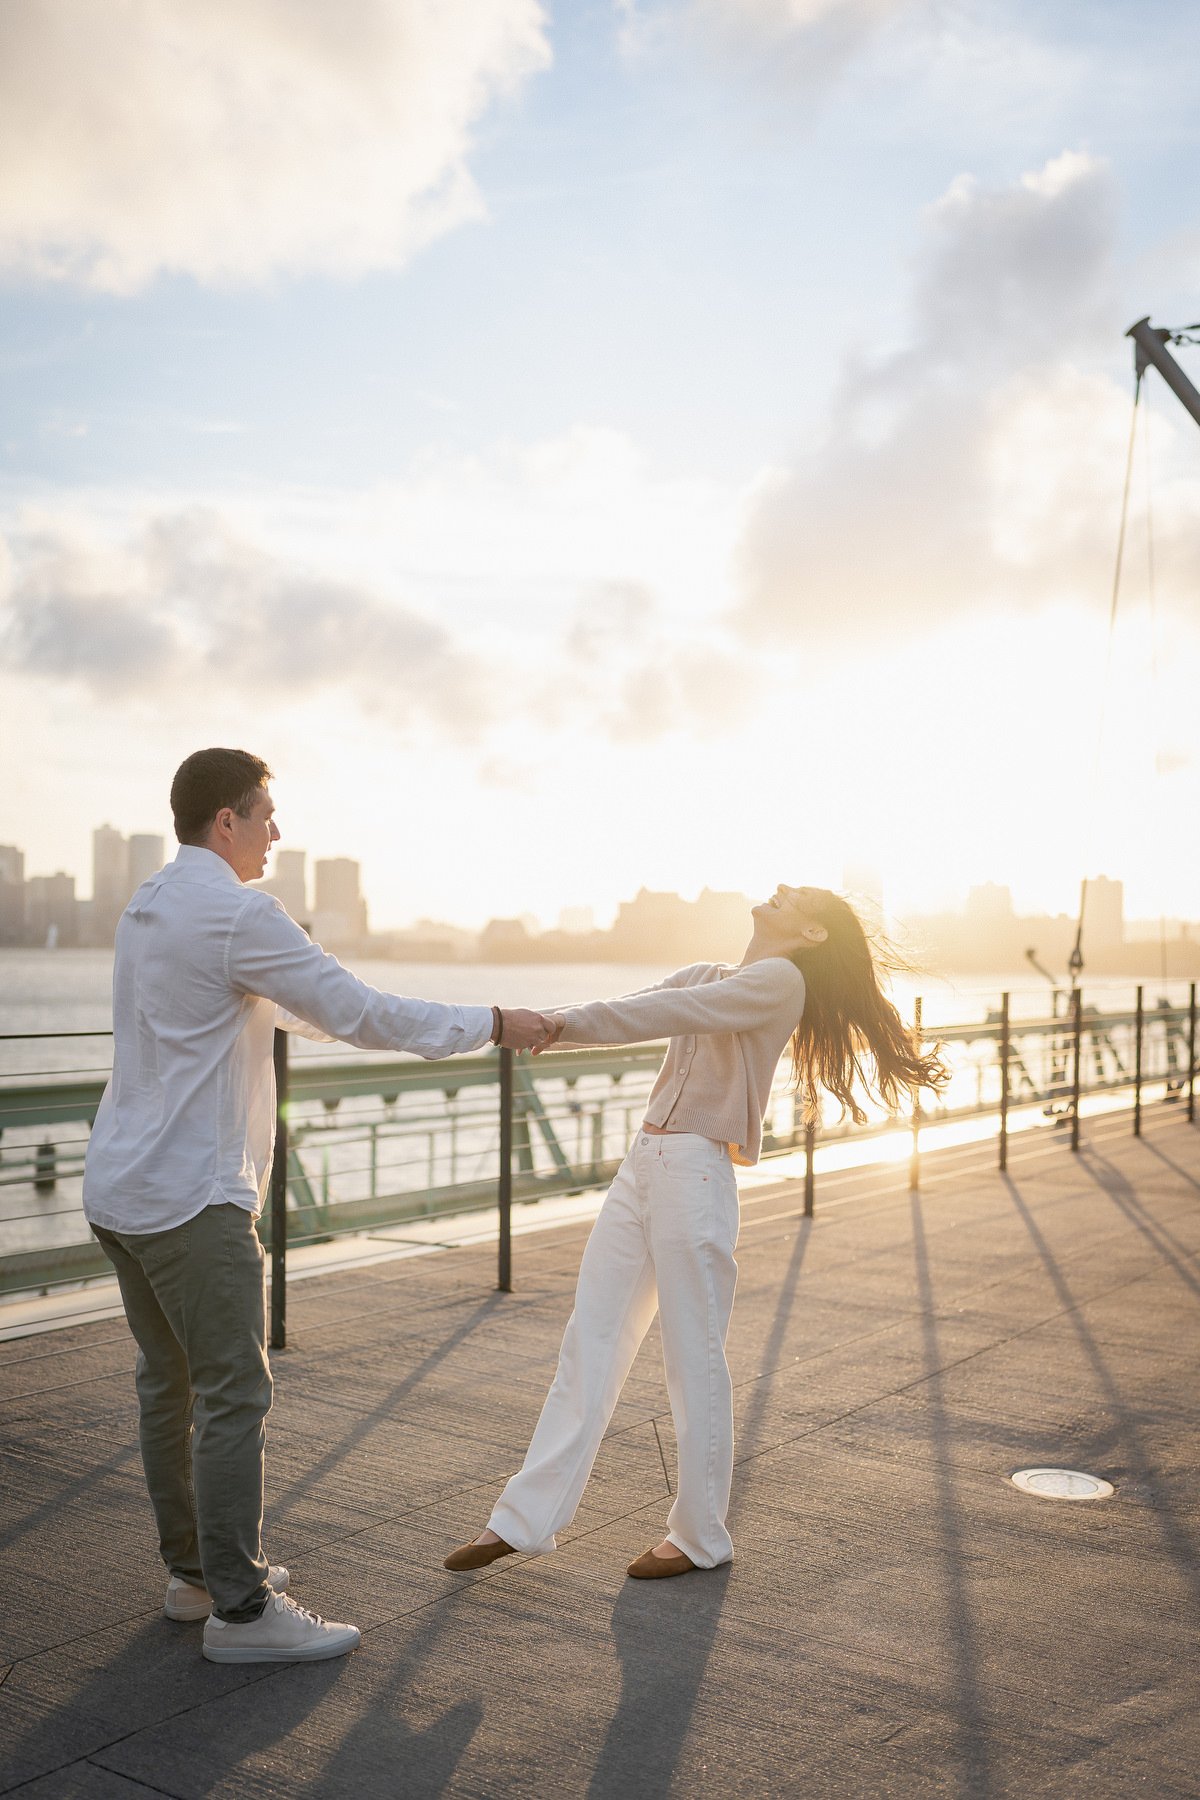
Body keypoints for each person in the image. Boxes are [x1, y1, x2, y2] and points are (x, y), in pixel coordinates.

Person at [84, 747, 553, 1663]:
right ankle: (244, 1614)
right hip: (191, 1200)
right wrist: (493, 1023)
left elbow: (275, 1003)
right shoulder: (236, 911)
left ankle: (196, 1576)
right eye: (266, 813)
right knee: (232, 1393)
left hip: (120, 1189)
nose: (277, 831)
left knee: (167, 1387)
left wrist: (318, 1000)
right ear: (228, 820)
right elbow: (361, 1011)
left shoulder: (149, 905)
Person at [444, 884, 947, 1581]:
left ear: (812, 936)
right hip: (644, 1164)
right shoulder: (713, 974)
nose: (773, 894)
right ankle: (524, 1522)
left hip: (696, 1172)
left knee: (693, 1359)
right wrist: (555, 1019)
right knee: (590, 1341)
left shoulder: (779, 982)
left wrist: (558, 1025)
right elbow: (656, 997)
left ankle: (701, 1536)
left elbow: (662, 1013)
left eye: (790, 897)